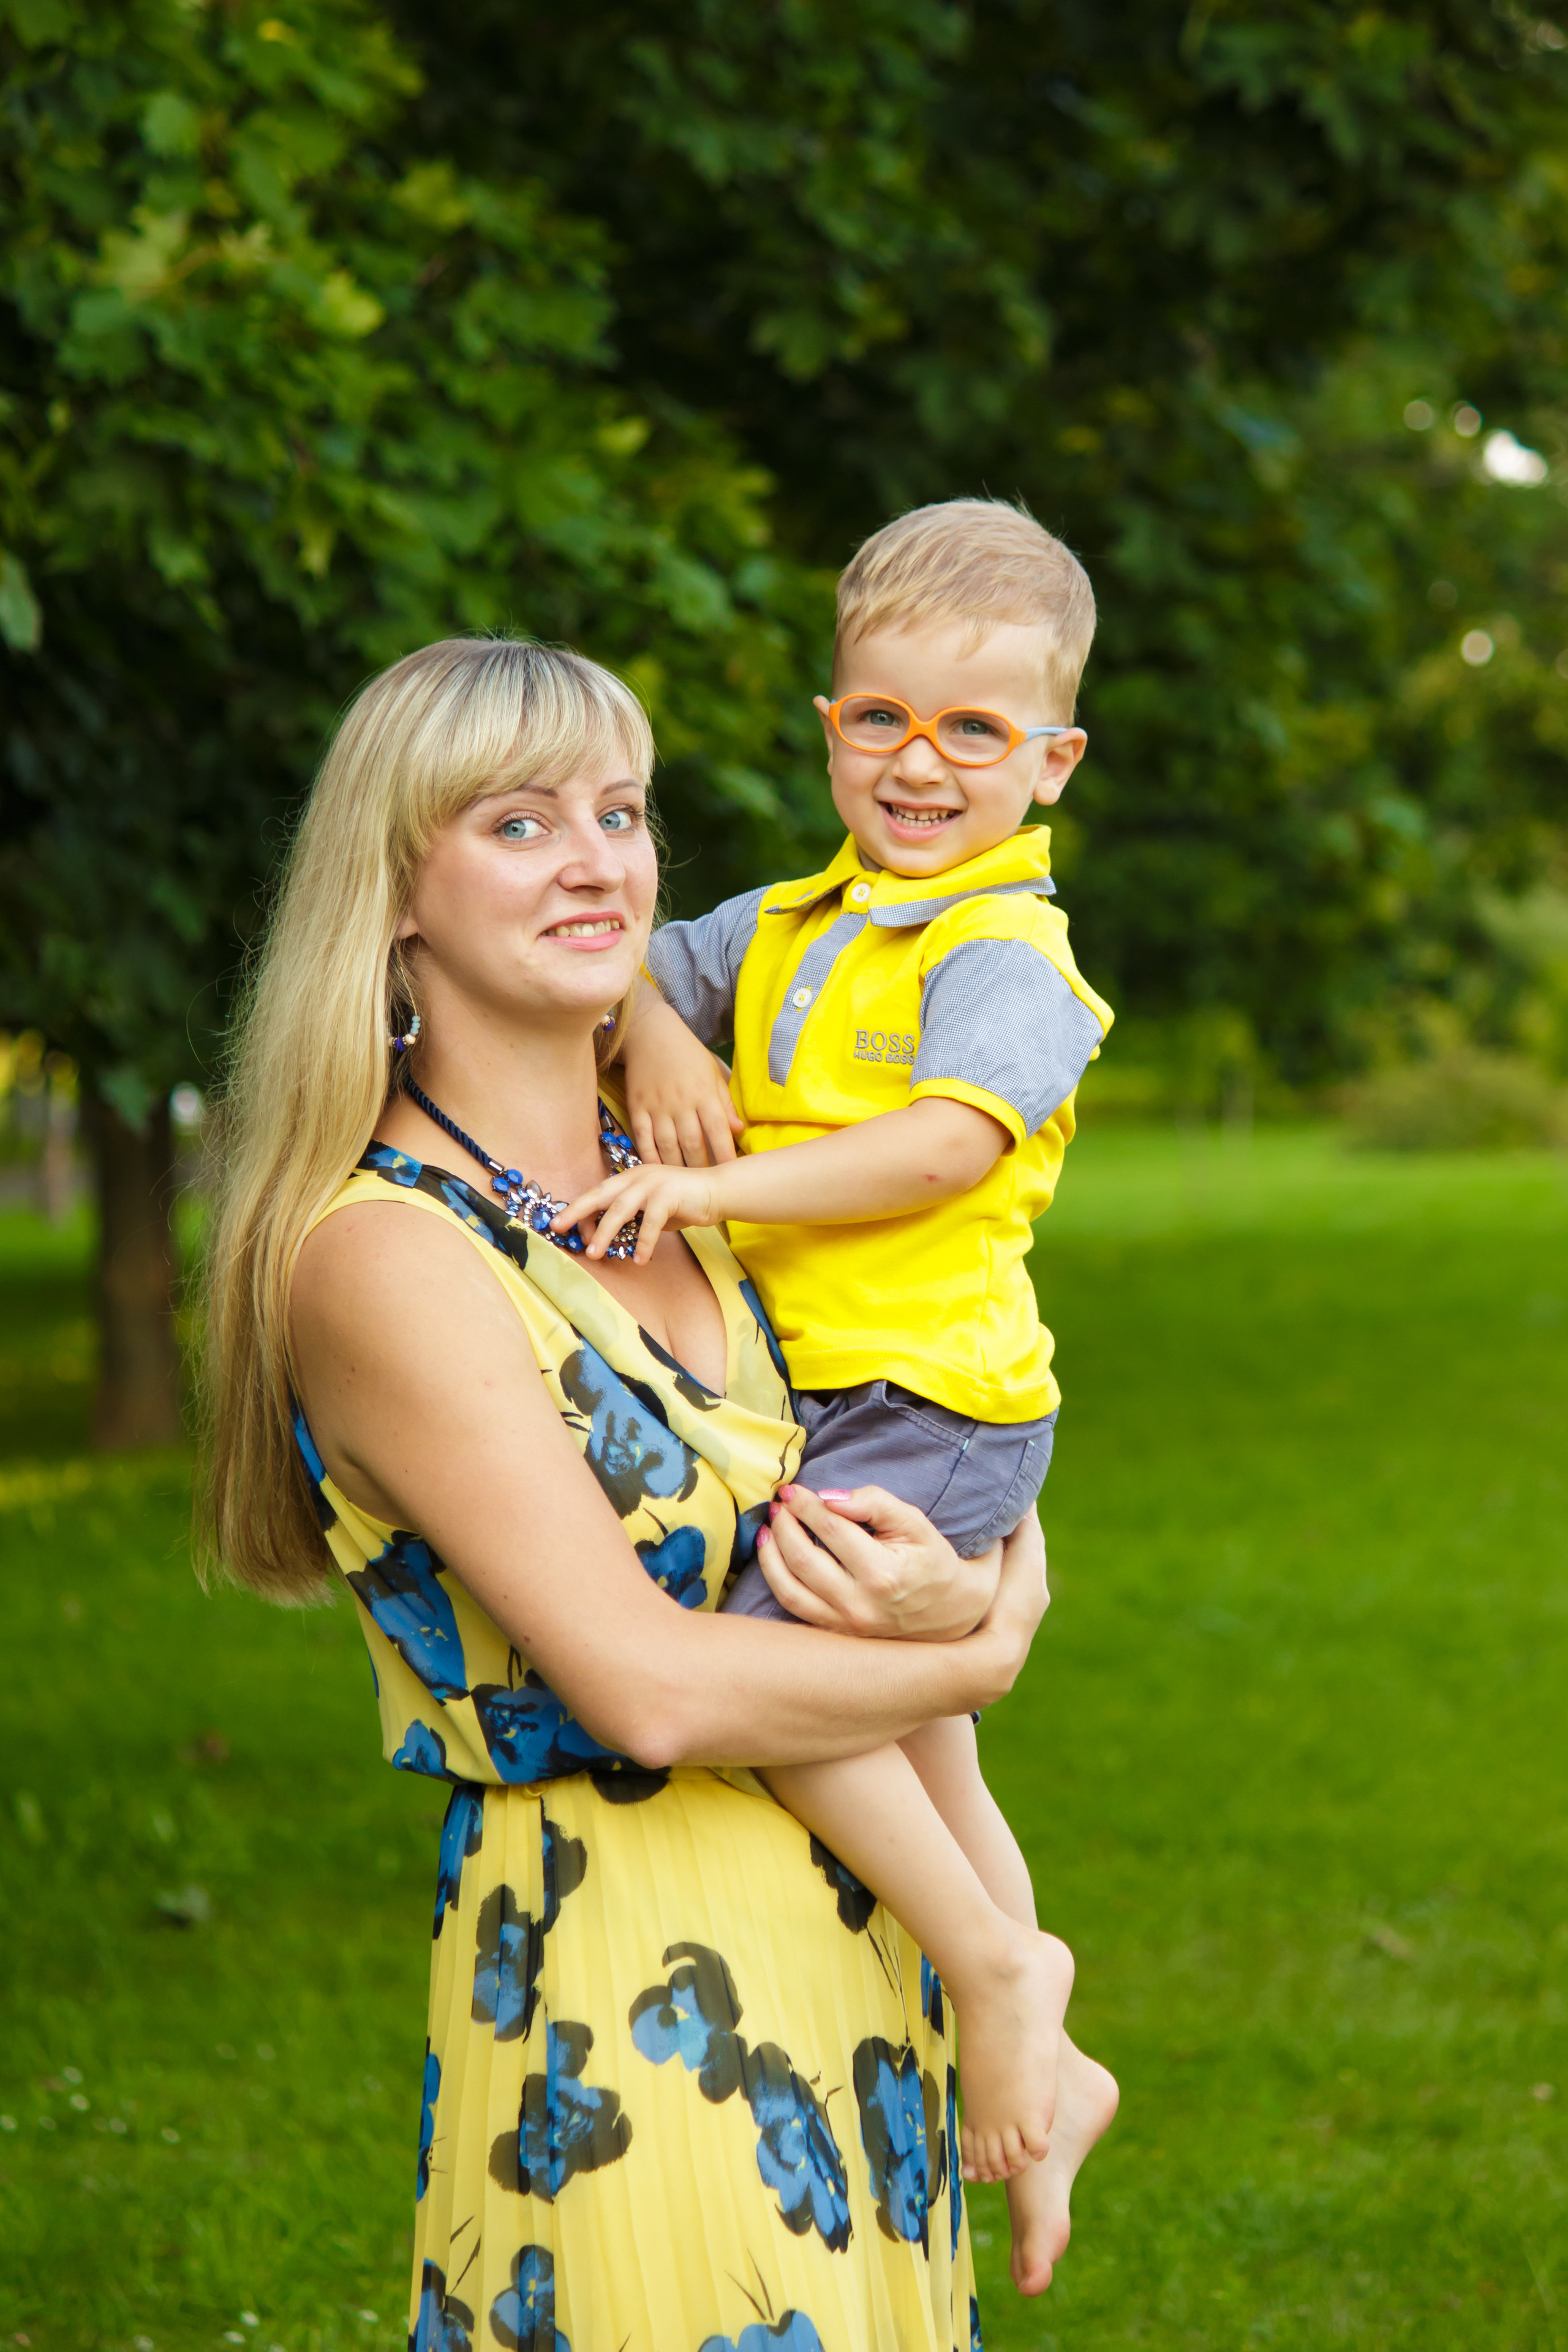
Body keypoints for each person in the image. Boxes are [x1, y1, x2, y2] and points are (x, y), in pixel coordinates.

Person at [198, 633, 1052, 2351]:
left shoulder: (697, 1179)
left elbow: (949, 1423)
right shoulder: (382, 1255)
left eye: (624, 811)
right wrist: (975, 1656)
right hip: (630, 2009)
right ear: (398, 892)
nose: (599, 858)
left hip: (863, 1967)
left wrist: (979, 1585)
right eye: (520, 825)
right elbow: (649, 1687)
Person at [550, 498, 1121, 2298]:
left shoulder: (1000, 960)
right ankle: (1054, 2040)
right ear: (830, 727)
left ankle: (999, 1967)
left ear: (1054, 760)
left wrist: (705, 1189)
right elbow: (632, 964)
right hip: (833, 1393)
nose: (921, 761)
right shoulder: (796, 920)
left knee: (765, 1655)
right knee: (917, 1725)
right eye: (881, 718)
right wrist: (650, 1028)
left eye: (975, 730)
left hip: (932, 1396)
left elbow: (943, 1148)